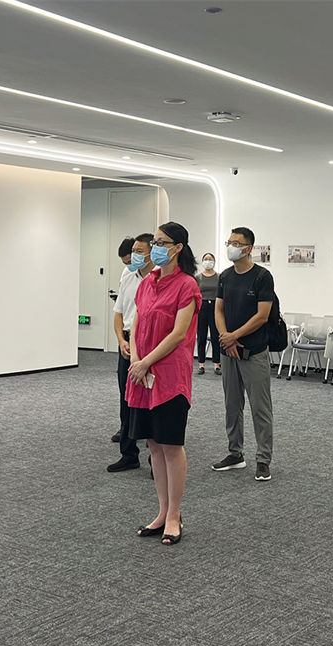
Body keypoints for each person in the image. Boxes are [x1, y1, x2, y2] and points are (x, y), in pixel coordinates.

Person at [126, 222, 201, 545]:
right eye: (154, 242)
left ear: (178, 248)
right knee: (153, 444)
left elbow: (178, 333)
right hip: (142, 375)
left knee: (170, 445)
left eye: (161, 242)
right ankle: (162, 511)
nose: (155, 248)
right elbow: (136, 323)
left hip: (169, 376)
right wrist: (136, 360)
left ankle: (175, 515)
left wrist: (146, 362)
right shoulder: (147, 283)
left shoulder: (187, 286)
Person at [211, 227, 276, 482]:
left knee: (260, 407)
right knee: (232, 405)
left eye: (236, 243)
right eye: (229, 242)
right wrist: (225, 337)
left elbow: (262, 316)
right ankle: (235, 453)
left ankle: (263, 459)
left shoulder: (262, 277)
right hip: (228, 351)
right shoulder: (225, 276)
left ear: (248, 249)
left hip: (254, 352)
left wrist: (234, 336)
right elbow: (218, 310)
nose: (231, 247)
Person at [108, 233, 154, 473]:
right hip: (126, 343)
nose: (134, 256)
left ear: (151, 253)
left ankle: (155, 460)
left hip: (149, 345)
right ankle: (128, 454)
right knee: (126, 398)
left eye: (139, 251)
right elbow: (118, 313)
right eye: (133, 251)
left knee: (152, 400)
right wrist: (120, 340)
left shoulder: (159, 279)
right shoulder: (128, 276)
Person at [194, 252, 221, 376]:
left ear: (214, 262)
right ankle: (201, 364)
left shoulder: (219, 277)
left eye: (210, 259)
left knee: (216, 336)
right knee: (201, 336)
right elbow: (195, 294)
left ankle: (217, 364)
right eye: (205, 259)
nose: (208, 261)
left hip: (215, 306)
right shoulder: (198, 277)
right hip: (202, 307)